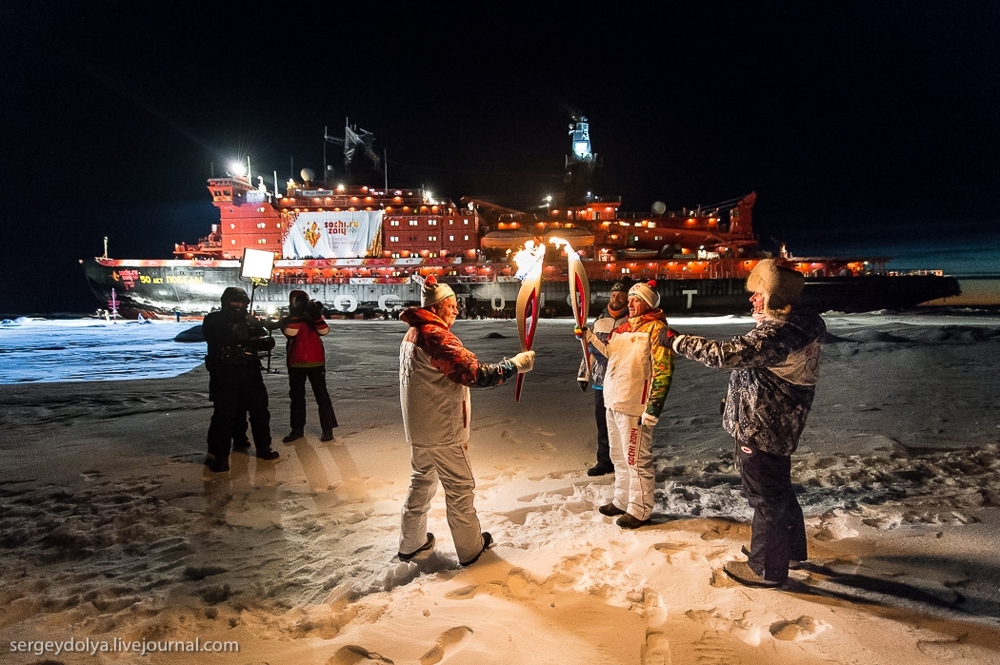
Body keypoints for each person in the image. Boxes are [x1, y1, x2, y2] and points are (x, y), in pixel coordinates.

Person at [670, 259, 824, 588]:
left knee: (765, 497)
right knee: (779, 491)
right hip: (777, 424)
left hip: (762, 427)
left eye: (759, 293)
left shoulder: (779, 332)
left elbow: (726, 354)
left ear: (776, 297)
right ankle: (789, 551)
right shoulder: (799, 326)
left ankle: (766, 569)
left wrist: (676, 341)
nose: (752, 299)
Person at [398, 275, 535, 566]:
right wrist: (514, 365)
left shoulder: (412, 334)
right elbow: (475, 374)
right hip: (443, 430)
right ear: (435, 308)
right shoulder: (436, 337)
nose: (457, 310)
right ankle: (471, 549)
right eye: (451, 306)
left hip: (420, 429)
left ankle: (411, 543)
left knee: (421, 482)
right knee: (460, 489)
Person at [579, 280, 674, 529]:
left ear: (648, 303)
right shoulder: (622, 329)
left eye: (636, 300)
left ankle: (640, 509)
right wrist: (588, 336)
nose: (630, 304)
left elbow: (663, 372)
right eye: (629, 299)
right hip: (613, 400)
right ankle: (622, 500)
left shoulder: (657, 330)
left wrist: (653, 408)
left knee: (636, 460)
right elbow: (606, 353)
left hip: (635, 406)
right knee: (618, 457)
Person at [202, 287, 279, 472]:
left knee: (260, 411)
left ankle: (263, 447)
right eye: (234, 301)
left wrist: (264, 340)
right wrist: (246, 338)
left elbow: (264, 340)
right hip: (224, 373)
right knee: (224, 416)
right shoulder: (213, 320)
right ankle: (219, 456)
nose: (239, 305)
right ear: (225, 302)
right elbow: (216, 338)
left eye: (242, 302)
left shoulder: (250, 321)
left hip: (250, 372)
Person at [576, 281, 630, 476]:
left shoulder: (631, 322)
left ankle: (625, 462)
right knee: (603, 424)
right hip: (600, 381)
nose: (616, 298)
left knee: (623, 424)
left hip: (623, 380)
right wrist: (584, 374)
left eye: (621, 296)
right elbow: (588, 349)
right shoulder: (599, 321)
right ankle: (604, 461)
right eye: (613, 295)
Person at [279, 290, 338, 443]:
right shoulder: (288, 320)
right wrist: (298, 315)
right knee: (297, 397)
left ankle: (327, 429)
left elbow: (324, 331)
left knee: (321, 396)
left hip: (315, 362)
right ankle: (297, 429)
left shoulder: (311, 319)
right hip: (296, 362)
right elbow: (290, 332)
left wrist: (316, 316)